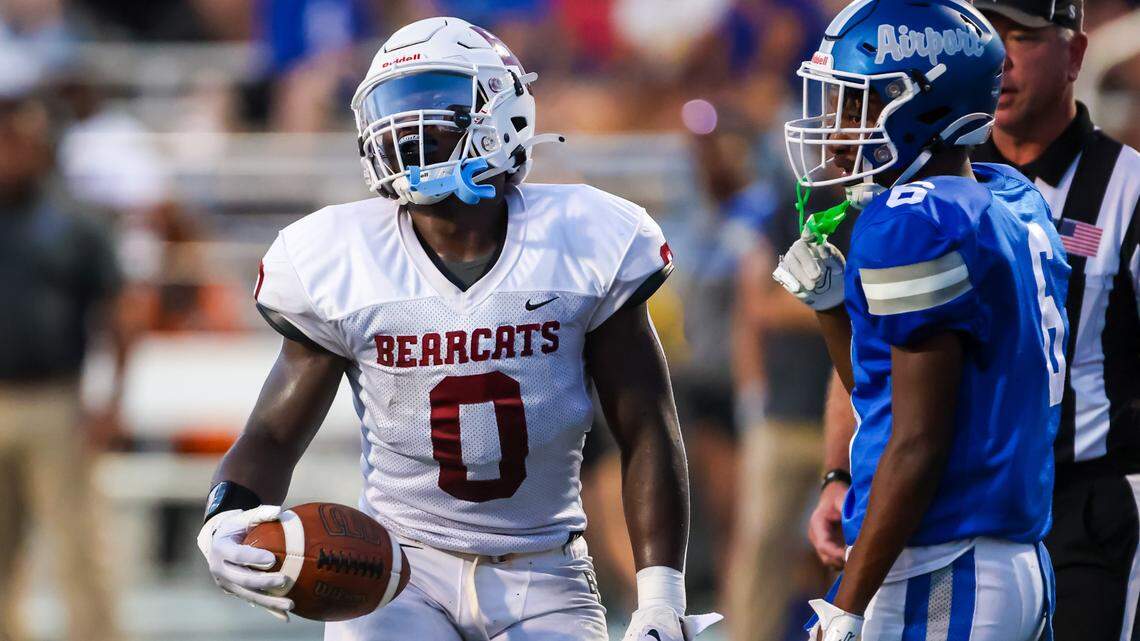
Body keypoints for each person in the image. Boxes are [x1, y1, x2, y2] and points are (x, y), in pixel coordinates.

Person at [195, 16, 721, 641]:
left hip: (545, 568)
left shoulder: (583, 241)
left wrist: (661, 595)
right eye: (392, 109)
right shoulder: (344, 257)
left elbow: (645, 423)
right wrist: (225, 516)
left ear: (503, 114)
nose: (403, 129)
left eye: (430, 106)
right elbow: (274, 433)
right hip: (399, 568)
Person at [772, 1, 1066, 639]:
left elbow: (919, 441)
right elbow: (891, 392)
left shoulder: (912, 221)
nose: (836, 124)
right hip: (1012, 555)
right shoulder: (1008, 195)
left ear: (925, 104)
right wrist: (830, 309)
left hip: (945, 563)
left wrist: (845, 605)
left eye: (858, 104)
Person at [971, 1, 1140, 638]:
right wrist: (840, 474)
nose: (1002, 58)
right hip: (962, 506)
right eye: (987, 36)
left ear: (1074, 55)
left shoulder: (1129, 190)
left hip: (1088, 507)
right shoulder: (933, 177)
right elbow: (880, 345)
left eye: (1023, 37)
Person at [0, 52, 123, 641]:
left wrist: (112, 398)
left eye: (16, 133)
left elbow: (121, 311)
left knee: (78, 547)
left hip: (56, 401)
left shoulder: (74, 222)